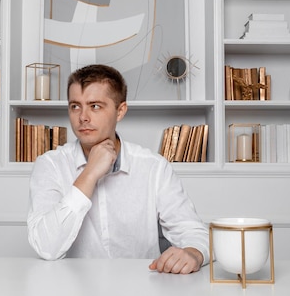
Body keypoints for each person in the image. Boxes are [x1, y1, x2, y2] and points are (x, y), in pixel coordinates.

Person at [27, 64, 209, 274]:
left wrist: (194, 253)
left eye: (95, 106)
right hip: (74, 295)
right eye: (75, 106)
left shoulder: (154, 167)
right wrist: (89, 173)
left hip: (141, 292)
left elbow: (194, 232)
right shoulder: (50, 165)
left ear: (120, 111)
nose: (83, 117)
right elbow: (46, 247)